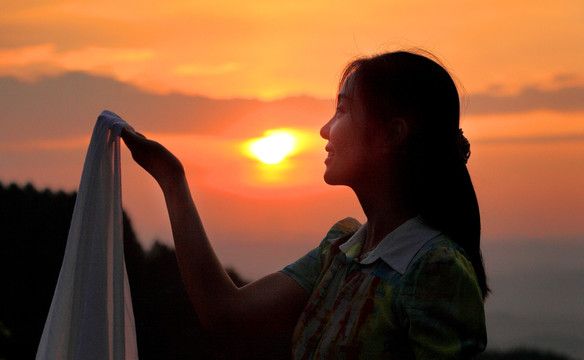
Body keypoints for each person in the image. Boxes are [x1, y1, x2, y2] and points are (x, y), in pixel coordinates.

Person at [122, 50, 488, 359]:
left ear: (391, 135)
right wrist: (172, 181)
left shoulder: (435, 269)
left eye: (343, 110)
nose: (325, 129)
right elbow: (224, 311)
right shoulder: (342, 250)